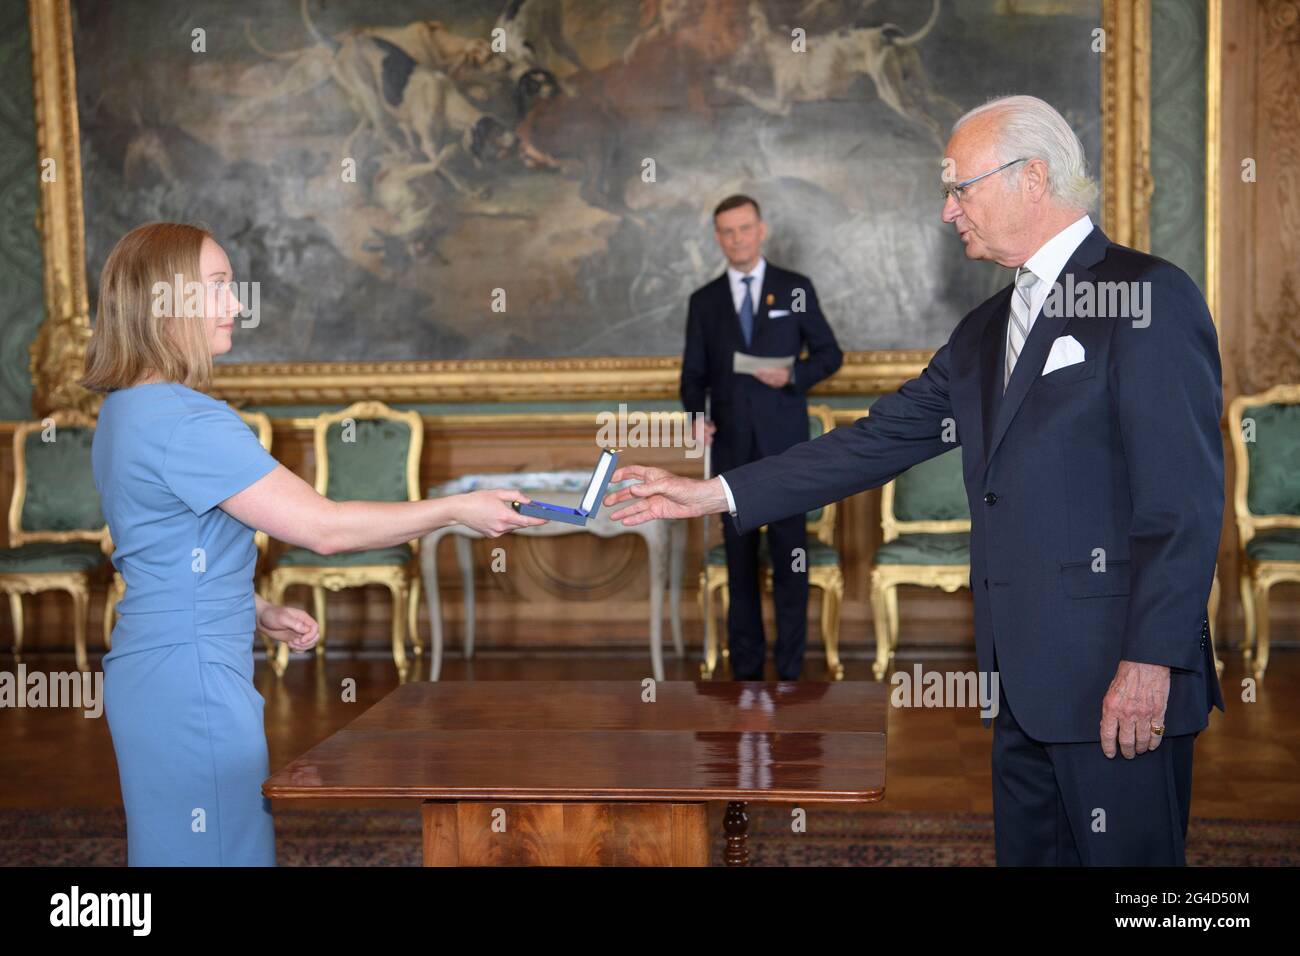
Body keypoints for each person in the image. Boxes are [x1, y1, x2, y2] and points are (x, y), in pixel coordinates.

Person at [606, 95, 1225, 866]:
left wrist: (1151, 659)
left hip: (1117, 679)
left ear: (1032, 177)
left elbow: (1185, 500)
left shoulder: (1146, 296)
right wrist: (711, 493)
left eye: (960, 188)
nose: (946, 210)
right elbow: (872, 442)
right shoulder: (983, 332)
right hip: (1018, 683)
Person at [81, 222, 545, 866]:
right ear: (165, 301)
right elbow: (324, 528)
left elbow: (162, 554)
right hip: (192, 683)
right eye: (217, 286)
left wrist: (257, 611)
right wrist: (457, 507)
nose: (237, 303)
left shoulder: (124, 410)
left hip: (153, 668)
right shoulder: (188, 421)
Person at [682, 194, 843, 680]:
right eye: (727, 232)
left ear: (761, 229)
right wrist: (695, 414)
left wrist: (793, 374)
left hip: (787, 452)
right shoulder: (704, 301)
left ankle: (791, 672)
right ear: (718, 237)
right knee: (740, 566)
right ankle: (746, 677)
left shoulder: (795, 288)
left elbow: (830, 355)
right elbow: (692, 378)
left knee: (791, 563)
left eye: (744, 229)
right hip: (730, 452)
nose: (737, 239)